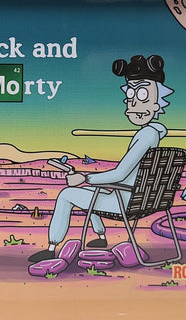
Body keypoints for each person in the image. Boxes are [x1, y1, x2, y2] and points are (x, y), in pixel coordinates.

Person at [28, 54, 174, 263]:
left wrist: (84, 178)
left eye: (142, 94)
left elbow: (120, 173)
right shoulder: (154, 135)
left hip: (127, 202)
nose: (132, 101)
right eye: (130, 93)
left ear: (157, 101)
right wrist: (90, 180)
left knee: (66, 194)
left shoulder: (146, 135)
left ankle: (52, 248)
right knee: (92, 191)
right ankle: (101, 237)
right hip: (142, 199)